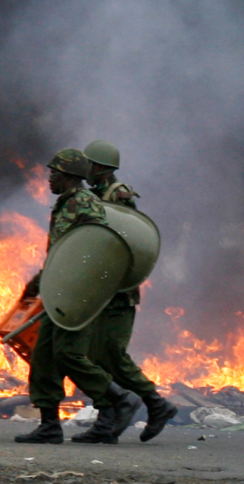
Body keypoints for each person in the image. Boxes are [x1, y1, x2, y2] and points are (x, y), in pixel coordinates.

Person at [15, 149, 142, 445]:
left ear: (70, 176)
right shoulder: (64, 204)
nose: (49, 179)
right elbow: (60, 255)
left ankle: (118, 398)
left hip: (77, 295)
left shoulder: (85, 203)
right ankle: (49, 425)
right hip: (58, 292)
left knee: (67, 354)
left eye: (54, 173)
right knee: (44, 356)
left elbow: (99, 245)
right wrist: (37, 283)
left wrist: (83, 287)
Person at [71, 140, 177, 444]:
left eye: (89, 164)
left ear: (100, 167)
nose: (86, 170)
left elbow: (127, 239)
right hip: (102, 289)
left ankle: (157, 405)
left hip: (118, 293)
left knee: (113, 356)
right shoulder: (95, 195)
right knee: (96, 356)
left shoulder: (119, 195)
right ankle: (107, 421)